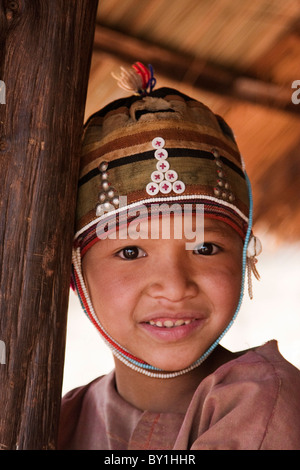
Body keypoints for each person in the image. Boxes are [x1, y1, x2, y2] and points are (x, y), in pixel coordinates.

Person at [58, 63, 300, 450]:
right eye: (131, 251)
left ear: (244, 258)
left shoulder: (264, 400)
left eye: (204, 248)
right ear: (75, 273)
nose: (173, 287)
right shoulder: (58, 419)